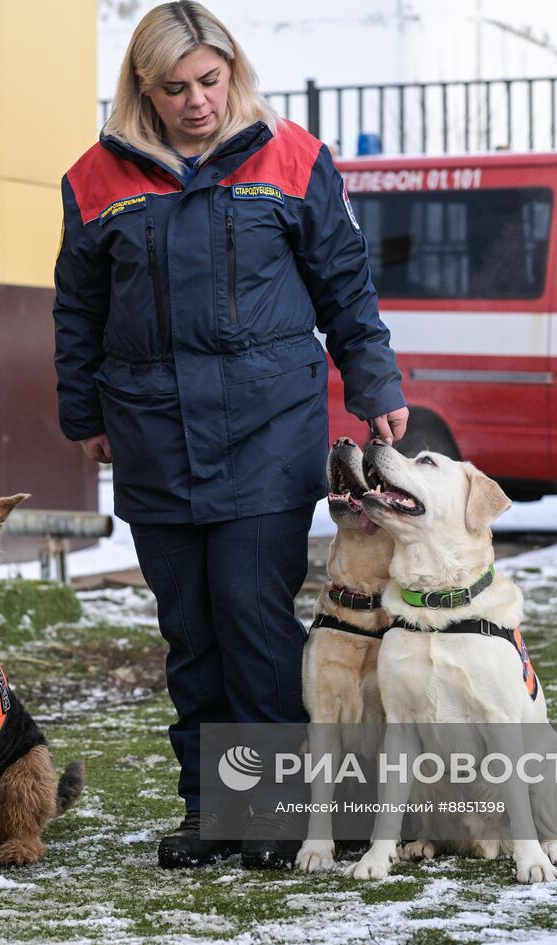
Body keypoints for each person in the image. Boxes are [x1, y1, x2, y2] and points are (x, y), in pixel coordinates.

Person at [53, 2, 407, 869]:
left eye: (209, 81)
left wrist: (375, 381)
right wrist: (83, 414)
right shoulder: (93, 179)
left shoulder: (295, 158)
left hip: (267, 427)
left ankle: (279, 809)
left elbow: (344, 285)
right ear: (143, 88)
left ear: (233, 72)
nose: (196, 102)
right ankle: (209, 808)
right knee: (191, 631)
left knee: (251, 616)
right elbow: (78, 311)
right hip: (152, 434)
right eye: (174, 87)